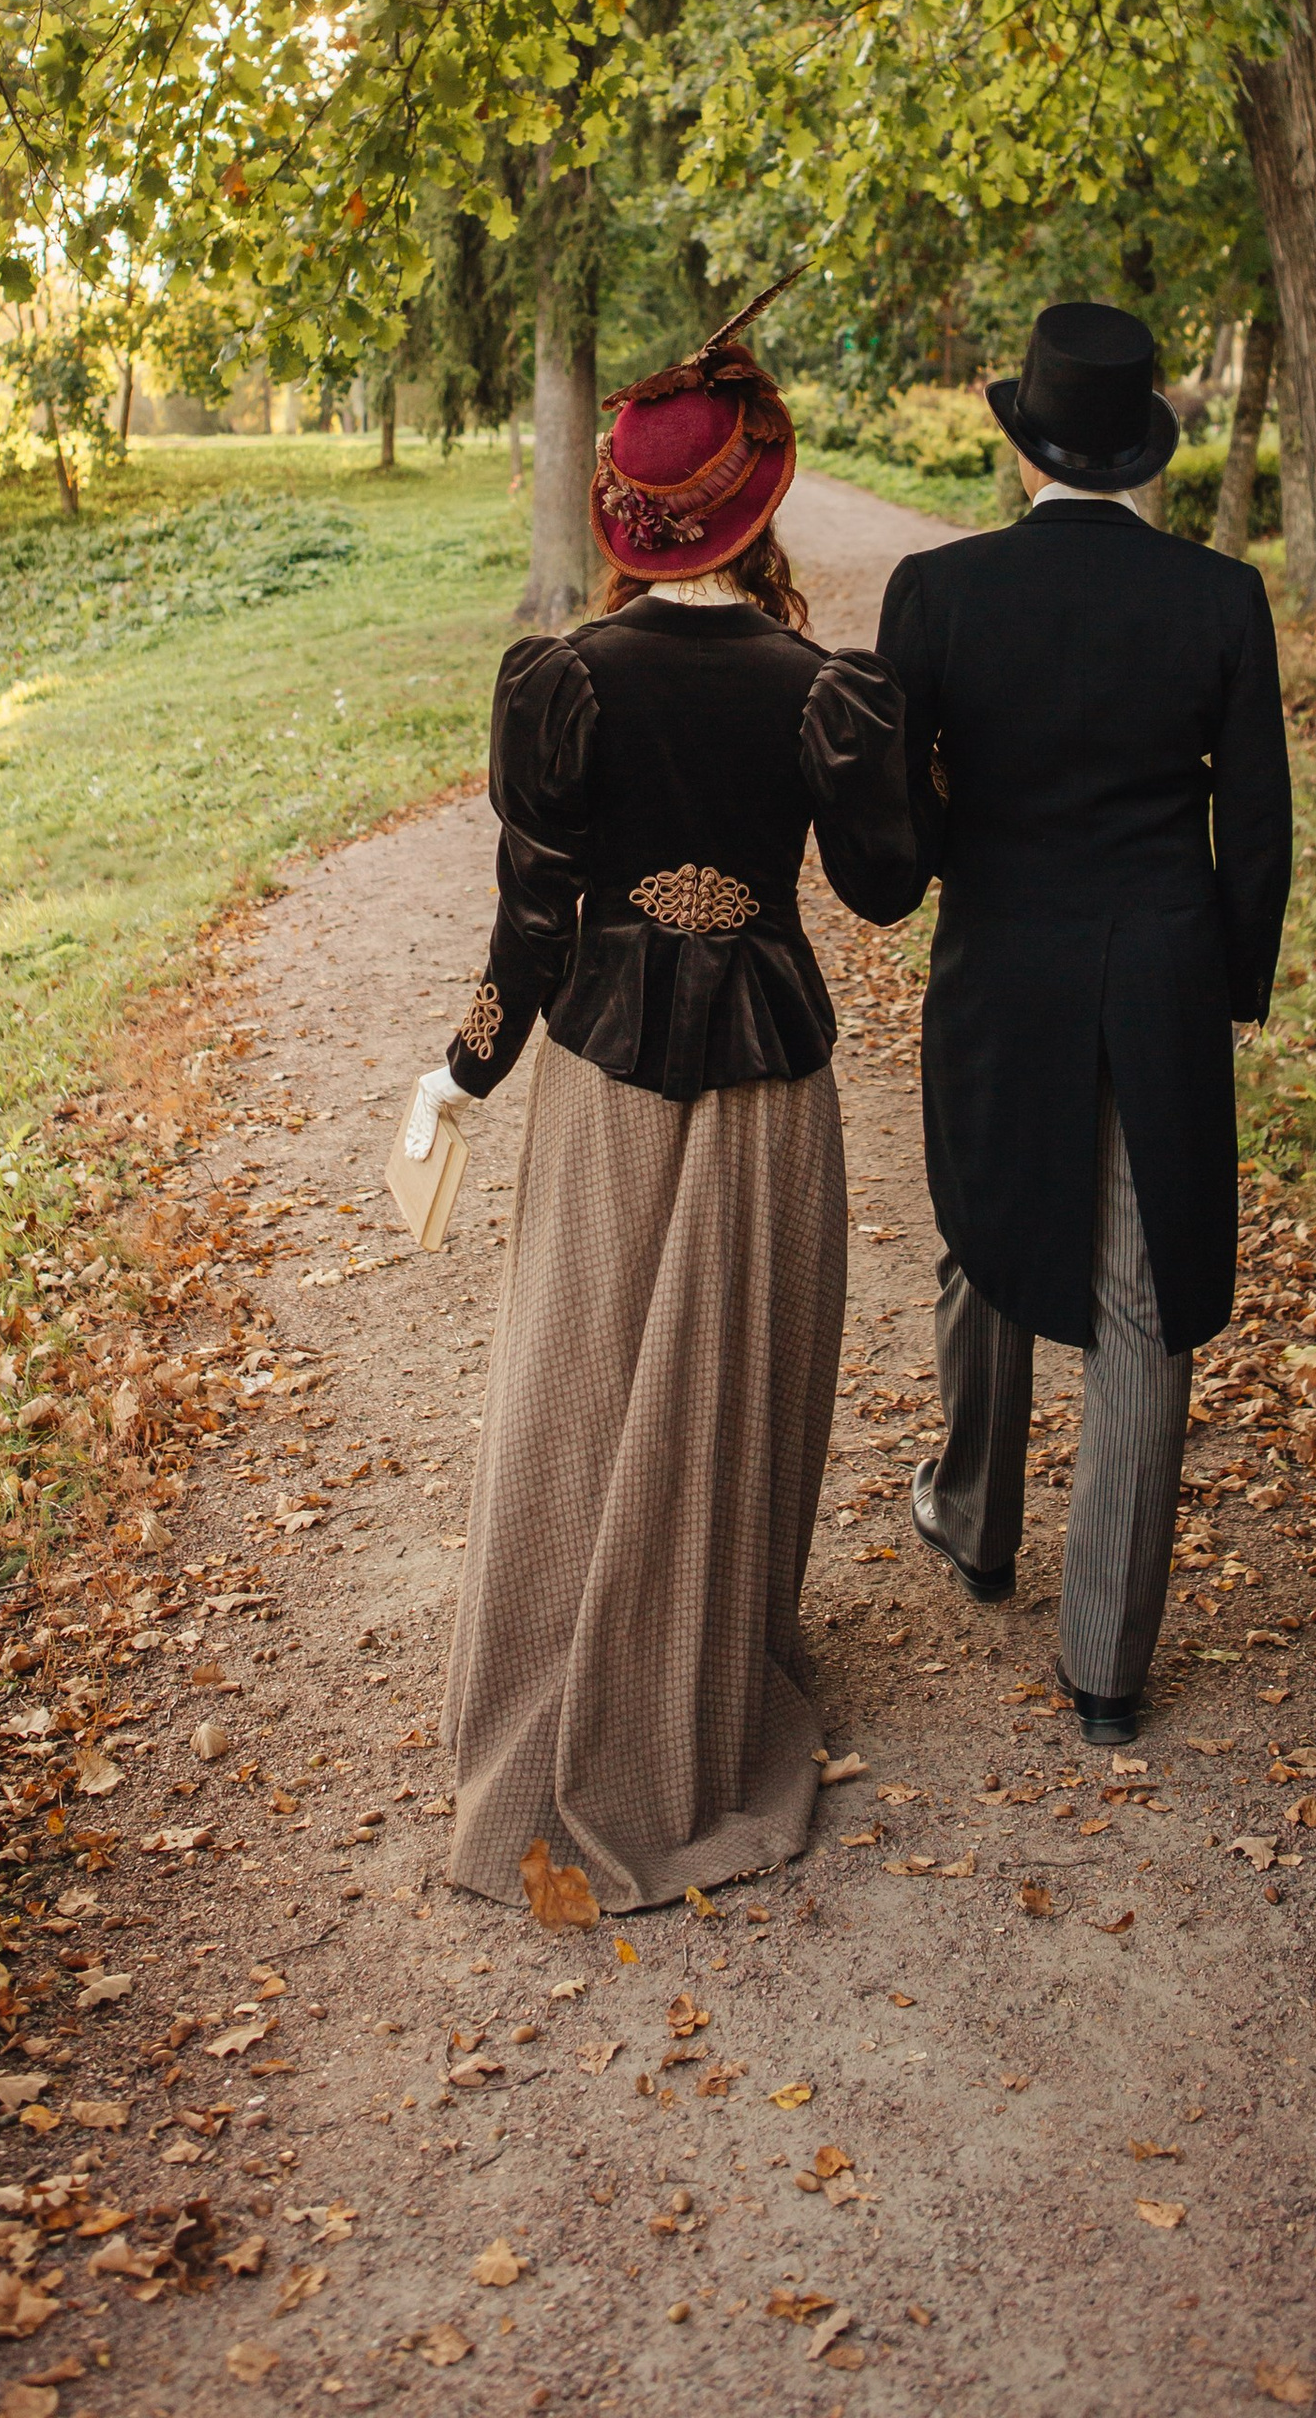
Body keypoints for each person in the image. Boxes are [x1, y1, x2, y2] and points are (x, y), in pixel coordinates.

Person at [400, 300, 921, 1912]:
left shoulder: (564, 680)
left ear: (626, 527)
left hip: (609, 1076)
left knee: (581, 1375)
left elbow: (532, 922)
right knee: (730, 1380)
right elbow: (889, 892)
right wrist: (906, 760)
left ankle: (572, 1677)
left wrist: (464, 1071)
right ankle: (691, 1681)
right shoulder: (827, 689)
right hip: (767, 1082)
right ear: (758, 516)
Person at [875, 300, 1292, 1744]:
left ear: (1025, 443)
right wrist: (1230, 980)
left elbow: (910, 828)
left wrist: (936, 827)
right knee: (1143, 1297)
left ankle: (976, 1519)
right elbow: (1258, 821)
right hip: (1157, 973)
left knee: (985, 1236)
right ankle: (1107, 1668)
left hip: (1001, 968)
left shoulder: (936, 594)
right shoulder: (1220, 599)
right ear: (1139, 455)